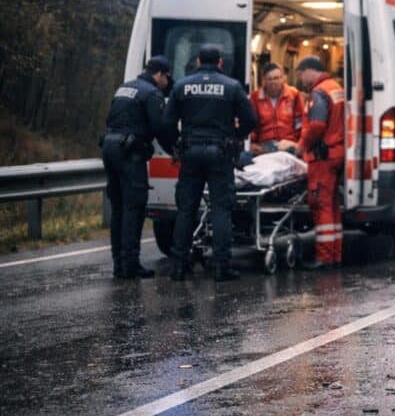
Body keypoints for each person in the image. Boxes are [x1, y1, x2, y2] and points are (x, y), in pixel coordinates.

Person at [164, 44, 257, 282]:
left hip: (190, 152)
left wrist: (176, 145)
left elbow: (167, 123)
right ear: (219, 63)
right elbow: (250, 119)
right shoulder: (231, 86)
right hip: (220, 153)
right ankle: (221, 266)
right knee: (221, 209)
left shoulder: (181, 86)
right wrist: (236, 138)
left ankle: (179, 266)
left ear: (197, 61)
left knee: (186, 209)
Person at [101, 56, 175, 279]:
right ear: (159, 74)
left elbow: (110, 119)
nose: (167, 83)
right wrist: (175, 150)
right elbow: (160, 128)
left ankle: (118, 264)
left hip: (110, 148)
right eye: (167, 78)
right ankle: (131, 265)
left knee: (119, 209)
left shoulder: (124, 88)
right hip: (129, 154)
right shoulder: (152, 93)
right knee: (134, 207)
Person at [296, 56, 345, 270]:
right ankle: (335, 254)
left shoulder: (318, 93)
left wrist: (301, 146)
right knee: (333, 206)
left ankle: (324, 257)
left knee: (321, 204)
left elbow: (316, 125)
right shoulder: (336, 88)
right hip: (337, 153)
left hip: (323, 157)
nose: (299, 78)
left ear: (309, 71)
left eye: (300, 73)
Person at [250, 62, 304, 154]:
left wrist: (298, 144)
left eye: (277, 78)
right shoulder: (255, 97)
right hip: (264, 147)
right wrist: (251, 144)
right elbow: (251, 124)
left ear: (283, 78)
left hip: (289, 144)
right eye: (269, 79)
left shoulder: (294, 95)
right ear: (264, 80)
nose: (274, 82)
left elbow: (301, 123)